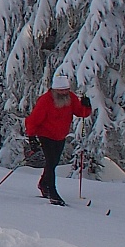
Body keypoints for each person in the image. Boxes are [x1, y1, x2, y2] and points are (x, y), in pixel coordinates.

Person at [24, 72, 91, 205]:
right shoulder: (45, 100)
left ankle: (43, 184)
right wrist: (32, 138)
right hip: (45, 135)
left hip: (60, 136)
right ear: (55, 90)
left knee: (53, 163)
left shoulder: (70, 98)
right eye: (61, 91)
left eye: (66, 90)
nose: (64, 93)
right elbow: (32, 120)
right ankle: (52, 192)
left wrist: (86, 106)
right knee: (51, 162)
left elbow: (81, 113)